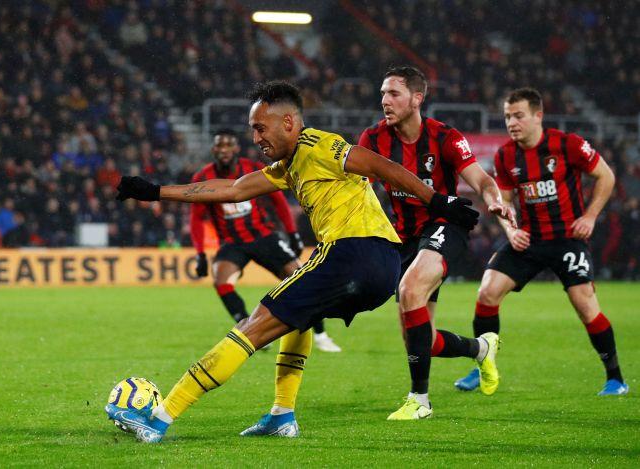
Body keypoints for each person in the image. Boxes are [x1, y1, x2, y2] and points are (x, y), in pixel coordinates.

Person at [107, 81, 478, 443]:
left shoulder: (318, 144)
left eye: (260, 128)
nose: (256, 138)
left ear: (288, 123)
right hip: (379, 267)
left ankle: (159, 419)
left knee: (254, 326)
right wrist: (155, 191)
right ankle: (282, 415)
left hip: (352, 252)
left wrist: (437, 201)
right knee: (298, 319)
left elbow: (381, 166)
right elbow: (233, 189)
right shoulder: (289, 165)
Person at [358, 66, 516, 420]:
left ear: (417, 98)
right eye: (382, 93)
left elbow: (480, 177)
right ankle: (480, 348)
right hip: (404, 237)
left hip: (446, 225)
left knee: (411, 289)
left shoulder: (444, 136)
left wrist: (493, 199)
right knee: (420, 340)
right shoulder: (373, 139)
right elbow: (359, 188)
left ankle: (420, 400)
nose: (385, 100)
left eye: (394, 93)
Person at [454, 87, 628, 396]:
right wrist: (511, 231)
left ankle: (615, 378)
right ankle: (483, 365)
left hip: (567, 240)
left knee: (585, 306)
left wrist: (589, 217)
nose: (512, 122)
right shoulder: (506, 154)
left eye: (519, 116)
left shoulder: (568, 145)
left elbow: (607, 176)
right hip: (529, 241)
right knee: (487, 292)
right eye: (507, 116)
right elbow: (504, 202)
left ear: (538, 116)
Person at [191, 128, 341, 352]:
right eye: (219, 146)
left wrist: (292, 233)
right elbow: (196, 218)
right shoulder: (202, 178)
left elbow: (279, 201)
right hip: (232, 243)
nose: (223, 150)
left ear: (236, 149)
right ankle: (246, 327)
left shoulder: (251, 169)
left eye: (228, 145)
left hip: (264, 236)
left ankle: (320, 335)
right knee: (221, 282)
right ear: (214, 149)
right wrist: (201, 253)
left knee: (300, 279)